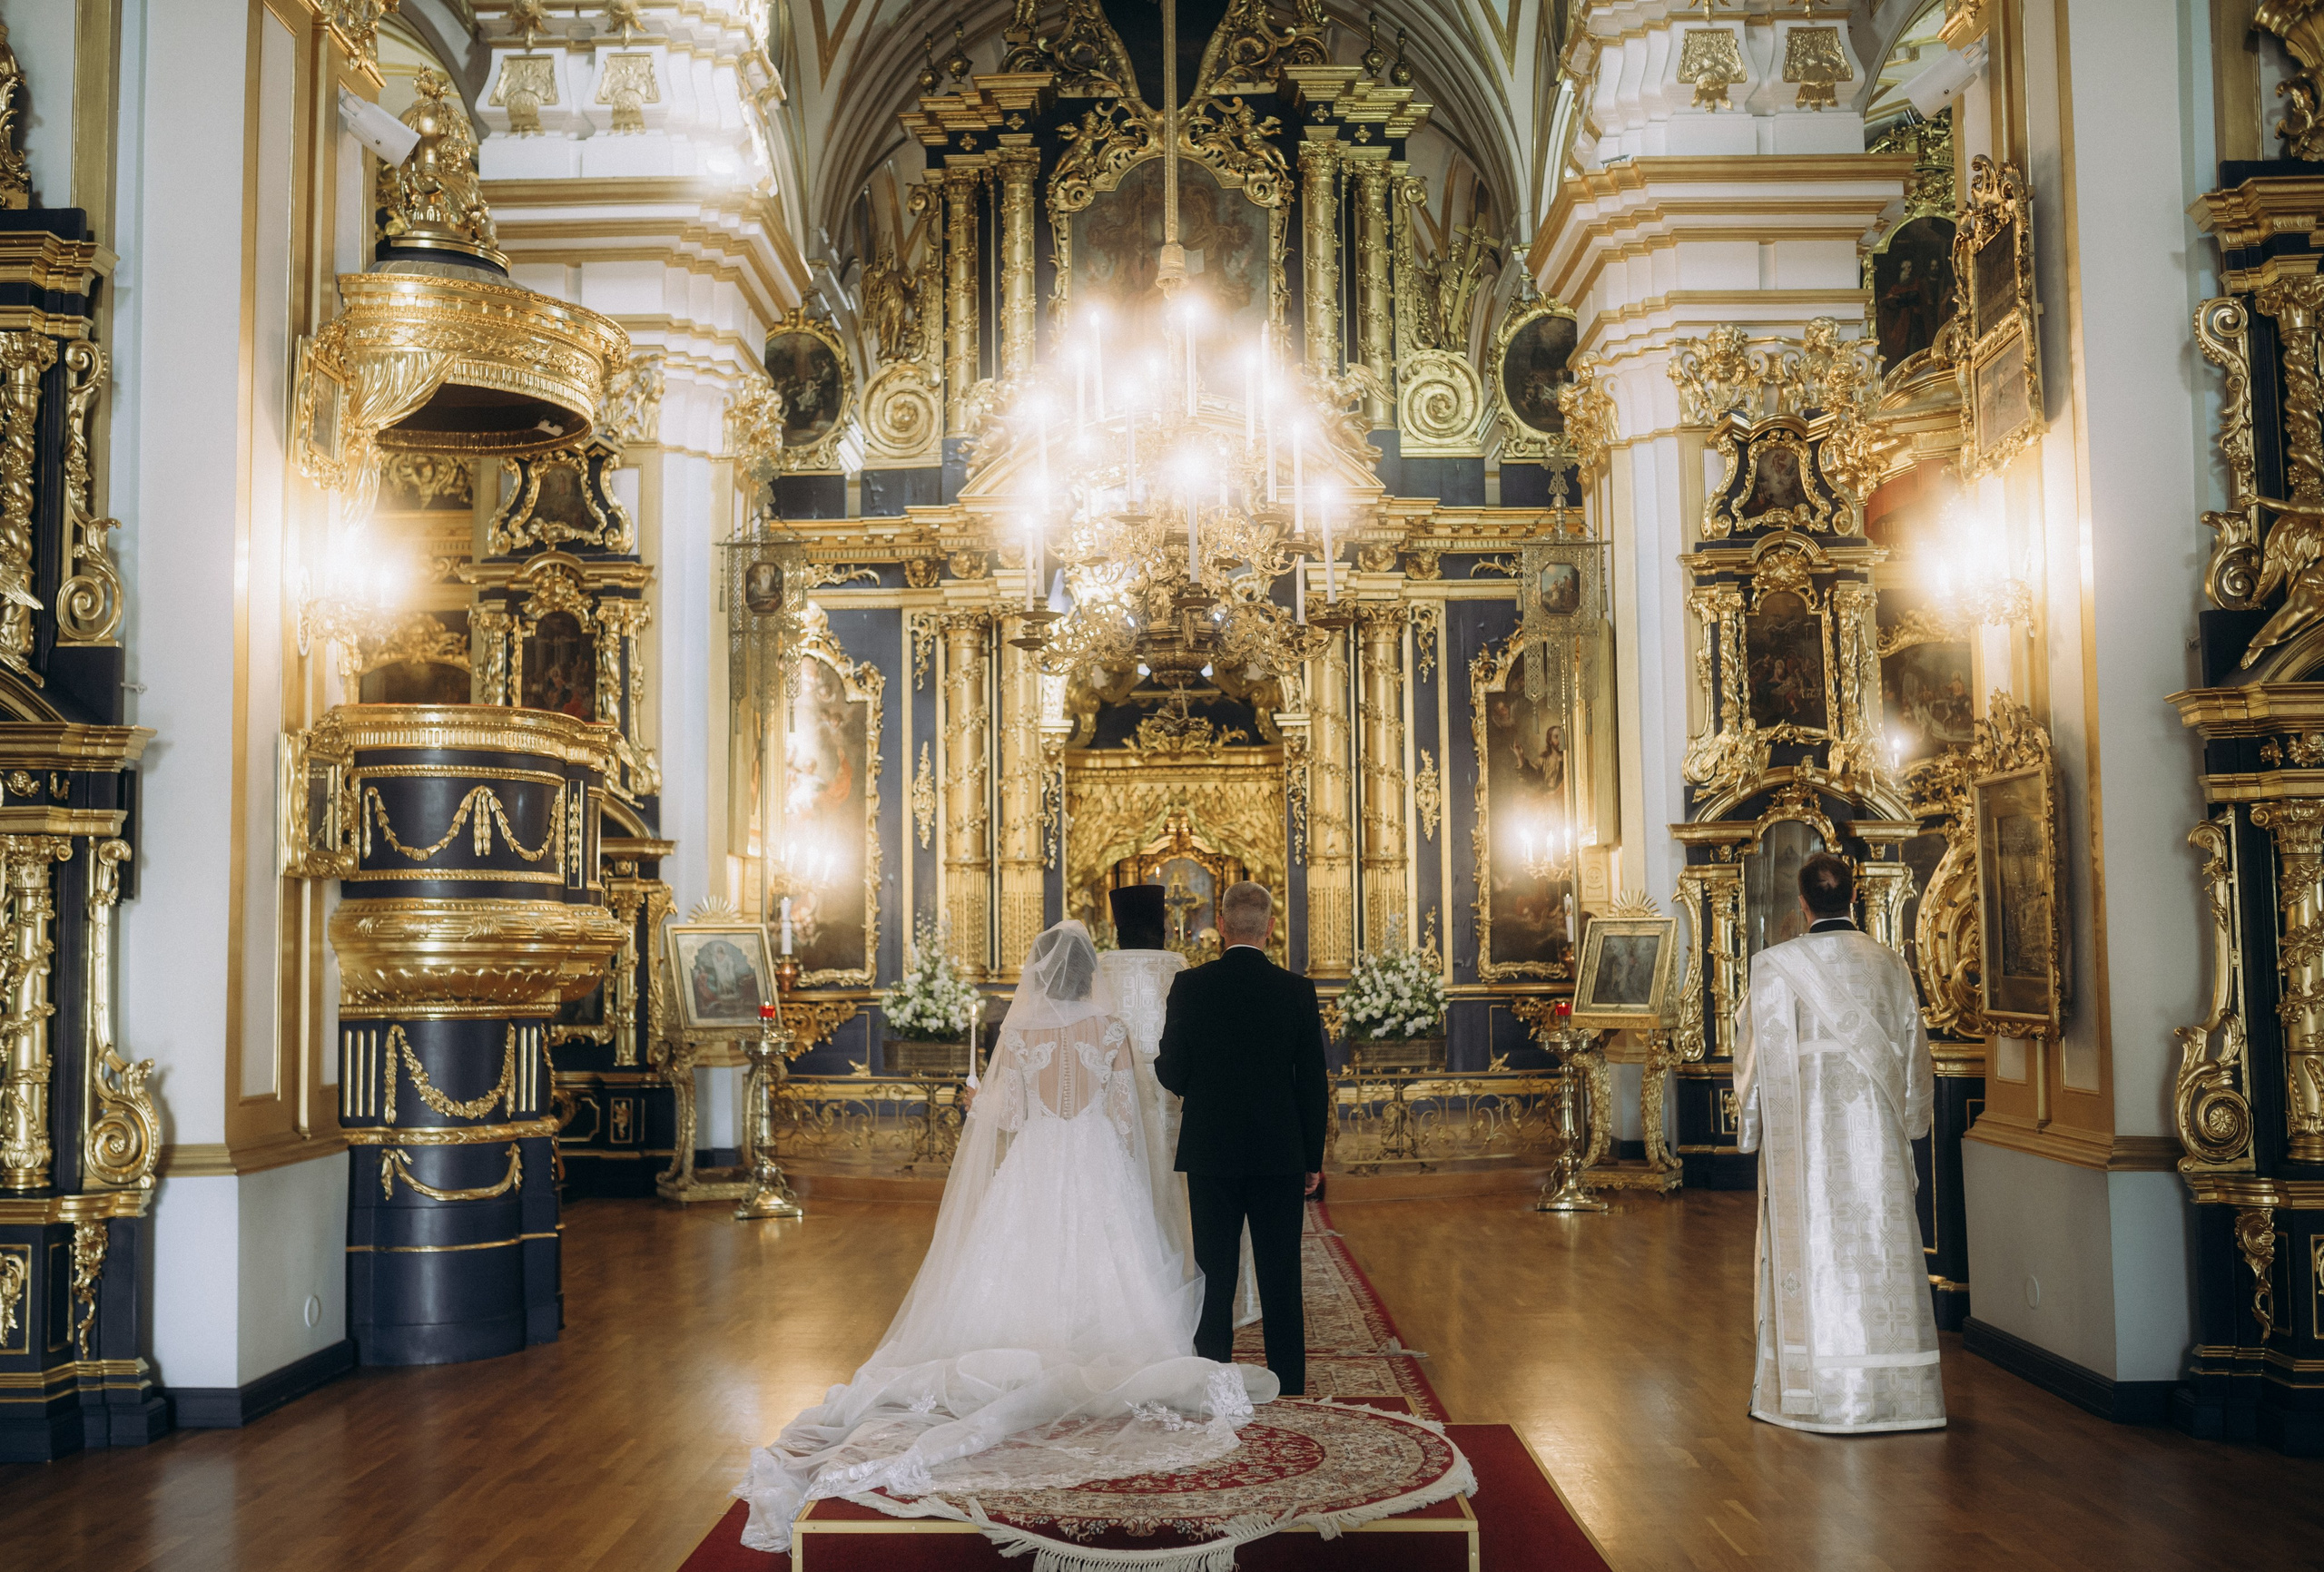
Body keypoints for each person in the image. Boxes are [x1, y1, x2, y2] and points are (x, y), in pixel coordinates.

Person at [734, 921, 1276, 1552]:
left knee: (1022, 1256)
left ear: (1038, 974)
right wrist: (1123, 1178)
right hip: (1096, 1157)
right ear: (1088, 974)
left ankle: (1028, 1347)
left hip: (1038, 1158)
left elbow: (1012, 1118)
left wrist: (977, 1104)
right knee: (1110, 1261)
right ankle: (1099, 1344)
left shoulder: (1020, 1034)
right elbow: (1126, 1122)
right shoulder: (1111, 1032)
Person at [1734, 852, 1945, 1434]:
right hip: (1875, 1141)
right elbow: (1915, 1057)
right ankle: (1899, 1395)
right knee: (1878, 1251)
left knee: (1818, 1253)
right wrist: (1914, 1123)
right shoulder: (1890, 965)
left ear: (1802, 905)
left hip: (1806, 1148)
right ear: (1852, 896)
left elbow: (1752, 1061)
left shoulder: (1775, 967)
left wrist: (1750, 1129)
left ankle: (1816, 1393)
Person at [1156, 882, 1328, 1396]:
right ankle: (1290, 1386)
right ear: (1270, 927)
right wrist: (1311, 1158)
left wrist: (1202, 1091)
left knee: (1215, 1274)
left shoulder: (1190, 986)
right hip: (1280, 1152)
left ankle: (1212, 1385)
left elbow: (1170, 1069)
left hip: (1212, 1151)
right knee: (1282, 1275)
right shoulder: (1297, 990)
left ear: (1223, 927)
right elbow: (1313, 1081)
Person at [1099, 885, 1263, 1329]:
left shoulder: (1100, 968)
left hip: (1116, 1105)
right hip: (1176, 1106)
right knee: (1189, 1206)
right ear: (1162, 925)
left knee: (1126, 1196)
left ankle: (1127, 1300)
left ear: (1117, 927)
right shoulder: (1178, 966)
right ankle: (1190, 1297)